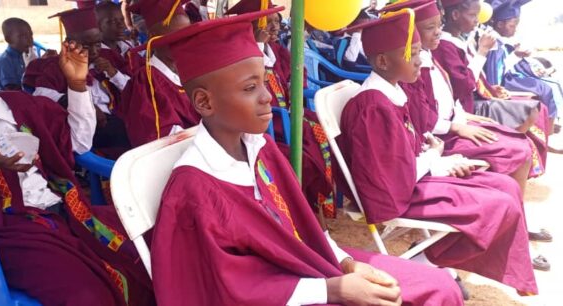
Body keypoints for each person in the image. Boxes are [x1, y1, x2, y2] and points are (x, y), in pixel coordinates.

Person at [150, 8, 463, 305]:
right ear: (204, 102)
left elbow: (302, 226)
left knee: (437, 287)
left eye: (263, 81)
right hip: (282, 295)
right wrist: (332, 289)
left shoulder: (261, 149)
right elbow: (225, 288)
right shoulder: (192, 192)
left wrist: (346, 262)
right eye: (250, 88)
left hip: (310, 268)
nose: (267, 96)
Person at [0, 0, 153, 304]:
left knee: (148, 251)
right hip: (8, 234)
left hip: (65, 210)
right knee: (86, 295)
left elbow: (79, 144)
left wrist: (76, 85)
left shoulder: (20, 106)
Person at [336, 7, 538, 294]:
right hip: (394, 196)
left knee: (505, 186)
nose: (420, 61)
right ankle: (426, 259)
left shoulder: (392, 92)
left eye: (419, 52)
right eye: (413, 54)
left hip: (410, 180)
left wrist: (440, 159)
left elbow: (403, 155)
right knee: (497, 204)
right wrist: (436, 160)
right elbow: (391, 175)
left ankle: (427, 259)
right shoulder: (372, 107)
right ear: (382, 60)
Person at [384, 0, 534, 193]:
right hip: (439, 138)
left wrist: (462, 116)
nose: (438, 31)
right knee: (517, 151)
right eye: (431, 27)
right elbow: (423, 116)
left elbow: (444, 97)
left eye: (439, 24)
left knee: (519, 143)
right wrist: (456, 126)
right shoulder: (414, 70)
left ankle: (506, 195)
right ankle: (505, 197)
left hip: (452, 124)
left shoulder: (428, 57)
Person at [226, 0, 335, 220]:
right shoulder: (241, 57)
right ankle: (308, 213)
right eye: (267, 21)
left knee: (321, 133)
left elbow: (296, 74)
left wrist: (294, 88)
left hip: (287, 118)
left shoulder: (275, 50)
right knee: (303, 158)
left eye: (276, 21)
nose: (275, 27)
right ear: (251, 24)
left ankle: (318, 205)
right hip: (269, 126)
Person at [433, 0, 552, 177]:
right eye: (472, 15)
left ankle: (513, 167)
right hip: (468, 105)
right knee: (529, 114)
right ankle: (508, 168)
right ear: (455, 15)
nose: (476, 21)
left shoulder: (458, 40)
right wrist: (482, 52)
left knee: (536, 107)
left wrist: (490, 88)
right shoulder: (445, 45)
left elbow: (470, 77)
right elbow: (464, 85)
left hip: (467, 105)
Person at [26, 6, 131, 158]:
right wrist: (85, 105)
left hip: (114, 115)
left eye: (97, 44)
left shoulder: (105, 60)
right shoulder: (56, 66)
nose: (94, 51)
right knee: (126, 135)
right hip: (84, 127)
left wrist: (113, 73)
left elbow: (131, 88)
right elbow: (41, 93)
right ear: (69, 44)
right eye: (87, 46)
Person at [117, 0, 197, 147]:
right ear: (153, 36)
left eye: (186, 35)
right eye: (173, 37)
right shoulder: (146, 82)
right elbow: (162, 138)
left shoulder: (189, 70)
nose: (182, 43)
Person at [484, 0, 563, 125]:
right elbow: (497, 73)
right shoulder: (493, 42)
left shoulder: (501, 40)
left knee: (551, 84)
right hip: (502, 82)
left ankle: (550, 123)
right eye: (512, 25)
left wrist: (518, 56)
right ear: (499, 24)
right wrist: (515, 56)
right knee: (545, 89)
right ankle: (548, 126)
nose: (515, 29)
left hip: (508, 76)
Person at [0, 18, 56, 91]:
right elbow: (13, 91)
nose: (30, 39)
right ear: (8, 39)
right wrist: (32, 67)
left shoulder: (29, 55)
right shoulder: (4, 61)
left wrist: (44, 62)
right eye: (22, 36)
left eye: (31, 34)